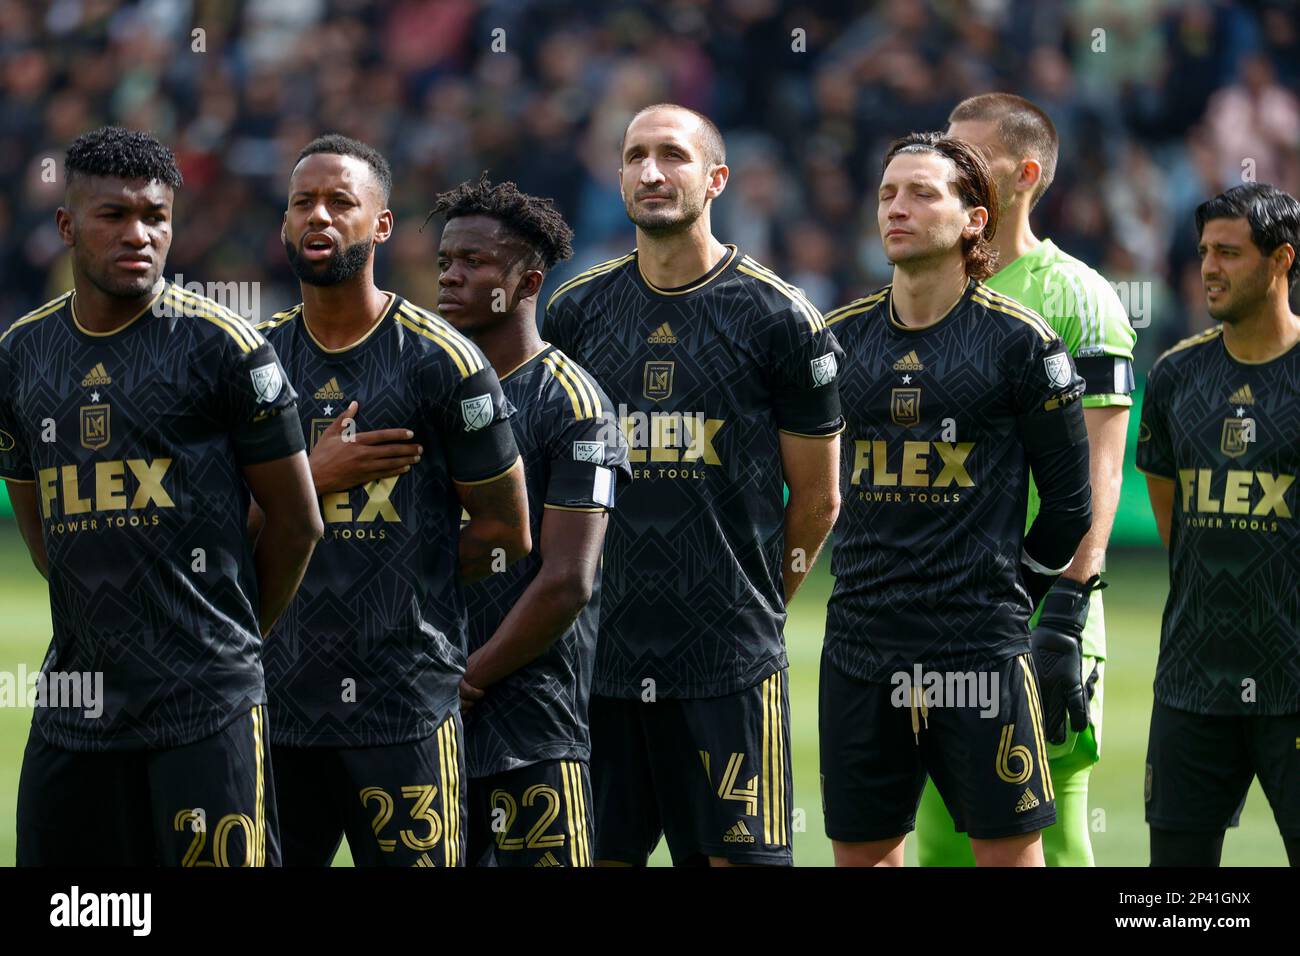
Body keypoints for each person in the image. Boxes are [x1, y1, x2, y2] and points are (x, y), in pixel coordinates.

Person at [1, 127, 322, 866]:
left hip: (205, 702)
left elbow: (298, 522)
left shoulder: (223, 347)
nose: (139, 234)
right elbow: (45, 533)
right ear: (66, 226)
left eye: (156, 216)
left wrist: (228, 643)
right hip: (76, 705)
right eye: (113, 215)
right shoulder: (19, 356)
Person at [543, 103, 844, 866]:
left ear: (716, 179)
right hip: (598, 660)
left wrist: (762, 604)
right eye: (636, 155)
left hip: (728, 665)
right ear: (617, 178)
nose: (651, 171)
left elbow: (817, 498)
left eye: (672, 155)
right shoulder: (577, 312)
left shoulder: (781, 318)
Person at [256, 136, 530, 867]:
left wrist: (411, 582)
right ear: (284, 226)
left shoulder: (444, 361)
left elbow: (507, 531)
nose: (320, 216)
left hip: (404, 704)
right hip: (275, 703)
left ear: (380, 225)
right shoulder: (251, 361)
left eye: (341, 202)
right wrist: (312, 479)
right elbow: (220, 530)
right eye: (303, 203)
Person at [821, 132, 1092, 867]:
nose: (896, 209)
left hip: (977, 653)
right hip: (858, 649)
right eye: (887, 194)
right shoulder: (839, 342)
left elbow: (1071, 505)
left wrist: (1013, 595)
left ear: (975, 219)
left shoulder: (1022, 344)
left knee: (1008, 856)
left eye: (921, 194)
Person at [909, 92, 1137, 867]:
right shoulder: (937, 288)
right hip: (941, 612)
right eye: (946, 147)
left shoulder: (1077, 295)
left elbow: (1102, 469)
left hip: (1032, 612)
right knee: (941, 835)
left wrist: (1067, 611)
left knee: (1050, 834)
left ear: (1027, 174)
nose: (950, 164)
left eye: (969, 153)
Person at [428, 174, 631, 867]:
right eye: (445, 262)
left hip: (532, 718)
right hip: (428, 712)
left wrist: (470, 679)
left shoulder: (574, 403)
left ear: (527, 281)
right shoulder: (428, 389)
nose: (451, 277)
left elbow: (567, 581)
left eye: (474, 263)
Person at [1137, 182, 1300, 867]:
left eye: (1230, 253)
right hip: (1191, 683)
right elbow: (1174, 521)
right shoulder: (1176, 377)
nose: (1208, 267)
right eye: (1205, 251)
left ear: (1281, 261)